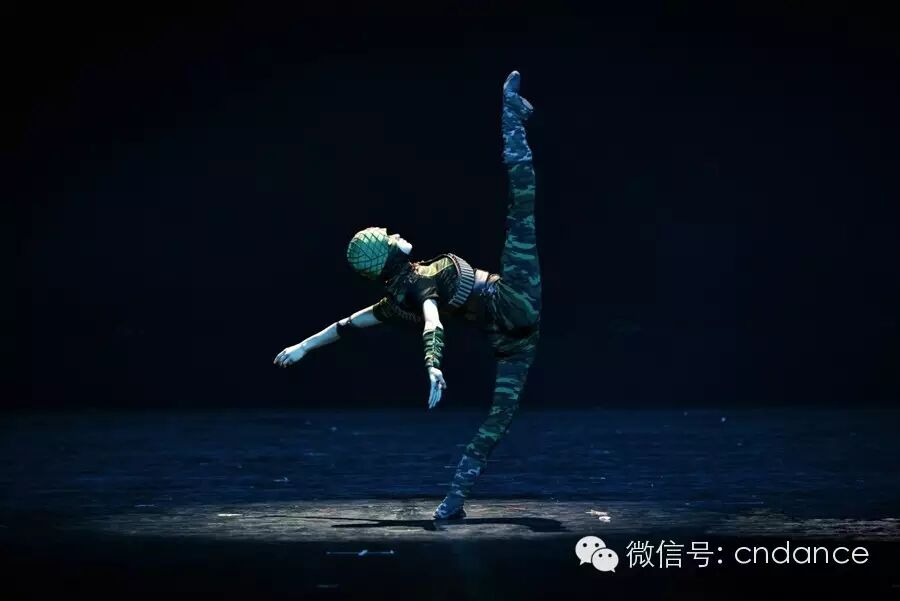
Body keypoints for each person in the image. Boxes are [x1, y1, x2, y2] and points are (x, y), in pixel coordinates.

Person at [274, 70, 541, 520]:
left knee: (497, 422)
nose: (397, 235)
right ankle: (510, 117)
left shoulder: (395, 300)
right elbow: (432, 321)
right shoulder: (418, 287)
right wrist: (433, 365)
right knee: (522, 206)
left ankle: (454, 501)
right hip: (516, 299)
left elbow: (346, 325)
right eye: (390, 238)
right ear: (387, 256)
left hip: (509, 338)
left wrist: (302, 347)